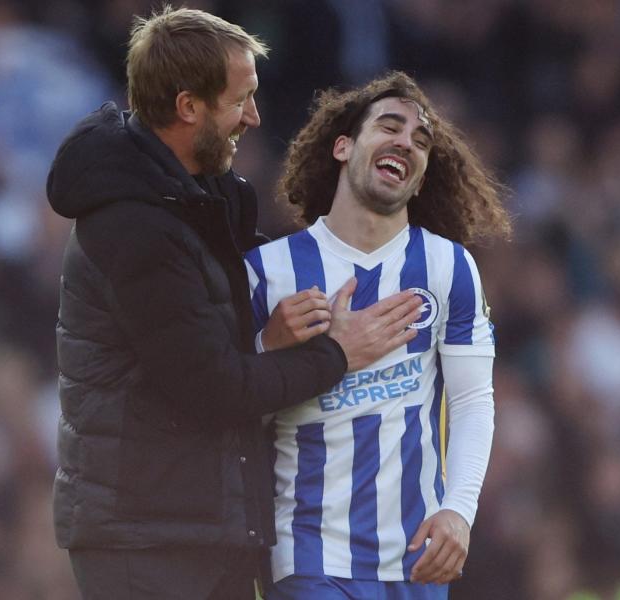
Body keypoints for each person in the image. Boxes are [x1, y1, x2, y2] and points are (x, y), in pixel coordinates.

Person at [45, 8, 423, 600]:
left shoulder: (198, 198)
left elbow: (208, 344)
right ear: (188, 106)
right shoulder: (133, 226)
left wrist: (275, 336)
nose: (254, 116)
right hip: (146, 540)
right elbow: (210, 388)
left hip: (200, 525)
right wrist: (338, 354)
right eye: (240, 99)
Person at [244, 71, 511, 599]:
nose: (405, 143)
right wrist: (272, 349)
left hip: (415, 561)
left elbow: (474, 401)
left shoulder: (448, 267)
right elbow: (234, 404)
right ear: (343, 146)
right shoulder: (268, 272)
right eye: (389, 127)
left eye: (420, 141)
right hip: (307, 555)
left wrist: (458, 511)